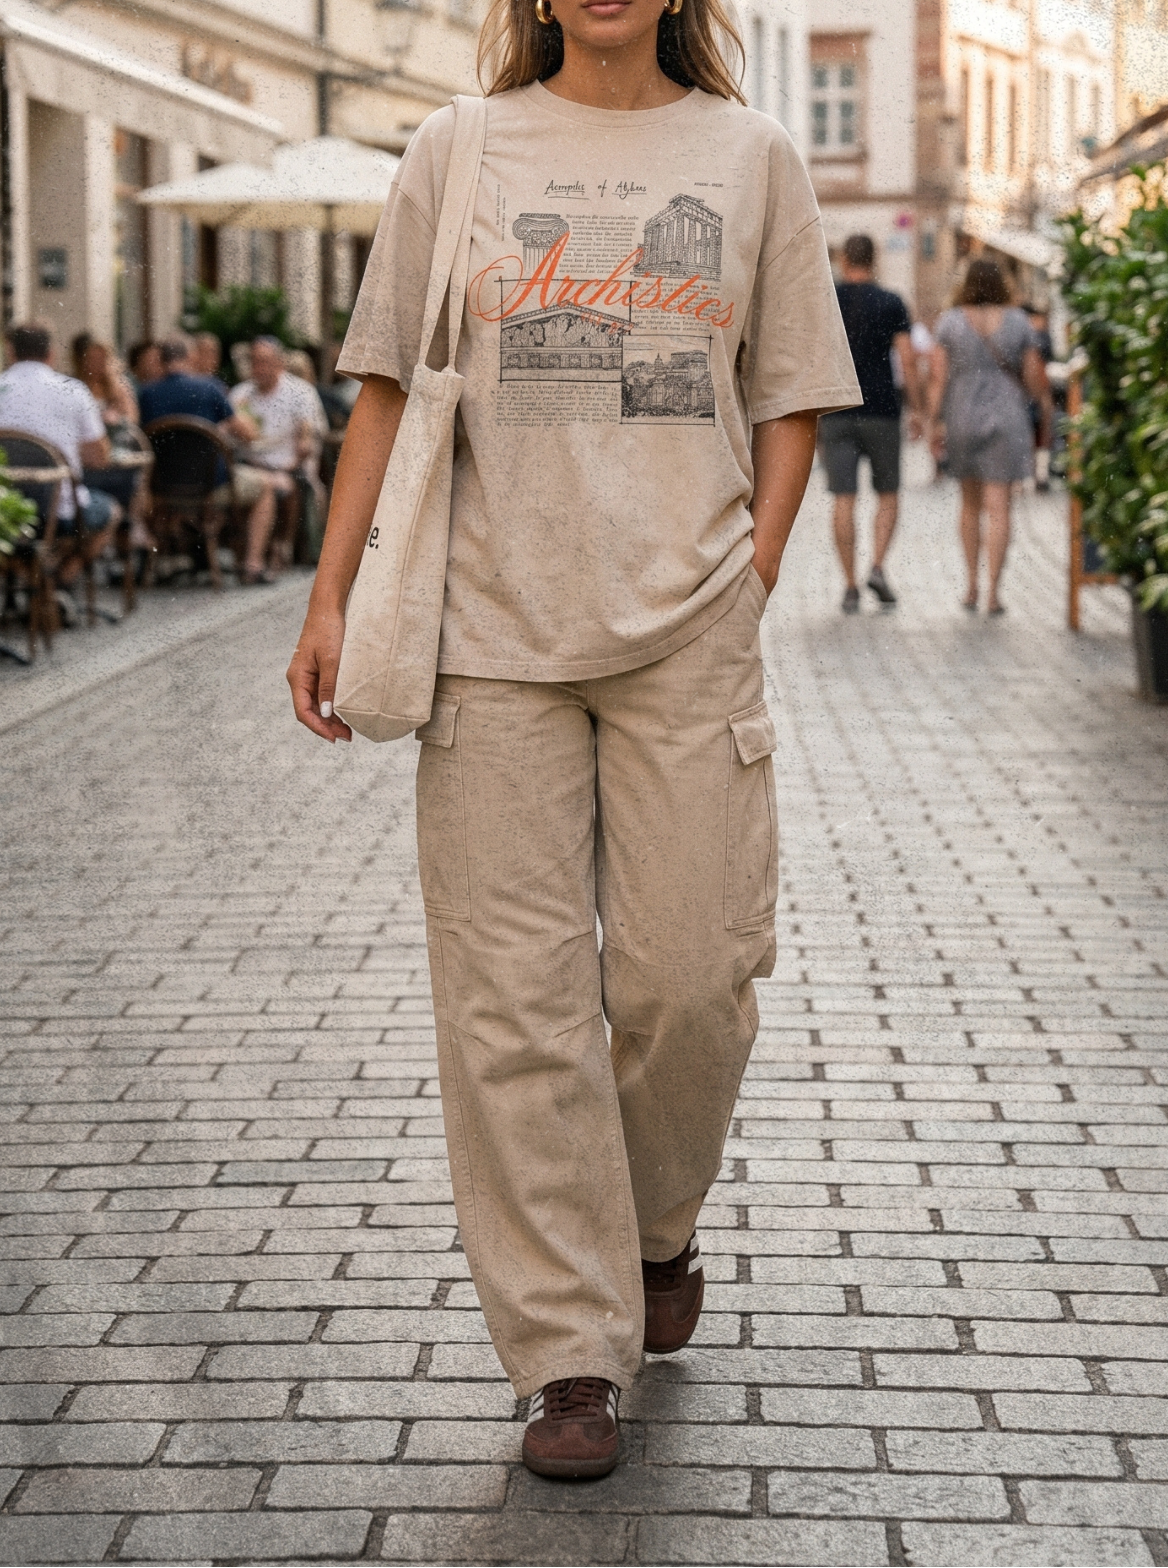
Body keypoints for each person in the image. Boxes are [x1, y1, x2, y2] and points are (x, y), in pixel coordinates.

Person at [288, 0, 859, 1483]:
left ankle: (655, 1225)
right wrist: (332, 592)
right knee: (513, 1006)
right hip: (488, 640)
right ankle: (569, 1356)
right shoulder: (454, 146)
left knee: (694, 974)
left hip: (686, 629)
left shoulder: (750, 157)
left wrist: (761, 565)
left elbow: (792, 390)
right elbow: (387, 391)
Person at [927, 258, 1053, 615]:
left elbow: (938, 378)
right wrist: (1042, 404)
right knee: (999, 508)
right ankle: (994, 593)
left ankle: (970, 585)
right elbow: (1032, 377)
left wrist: (933, 421)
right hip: (1007, 418)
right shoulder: (1018, 322)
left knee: (969, 505)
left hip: (962, 418)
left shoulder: (950, 322)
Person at [819, 234, 924, 613]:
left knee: (843, 499)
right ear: (874, 259)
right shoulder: (892, 302)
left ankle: (849, 585)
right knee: (888, 494)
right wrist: (917, 409)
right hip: (881, 408)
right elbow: (908, 359)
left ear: (845, 259)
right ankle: (877, 567)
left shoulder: (828, 299)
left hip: (837, 409)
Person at [138, 334, 285, 585]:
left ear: (162, 362)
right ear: (189, 357)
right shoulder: (209, 387)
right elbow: (247, 433)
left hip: (162, 488)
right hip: (210, 488)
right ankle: (252, 564)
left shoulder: (146, 393)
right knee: (266, 487)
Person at [0, 321, 122, 605]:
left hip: (6, 514)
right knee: (111, 512)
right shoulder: (73, 390)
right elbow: (99, 457)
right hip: (60, 512)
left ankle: (35, 583)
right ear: (51, 354)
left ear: (10, 352)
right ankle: (58, 583)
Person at [229, 338, 328, 568]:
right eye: (254, 362)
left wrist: (293, 461)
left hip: (289, 463)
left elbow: (307, 436)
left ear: (279, 363)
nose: (258, 368)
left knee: (286, 485)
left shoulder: (300, 392)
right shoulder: (241, 394)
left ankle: (282, 544)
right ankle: (256, 553)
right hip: (250, 463)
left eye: (264, 362)